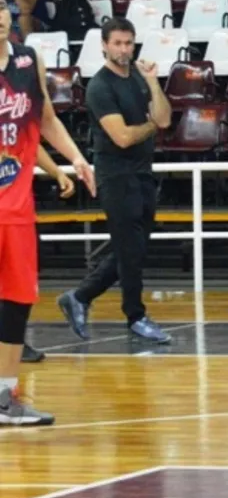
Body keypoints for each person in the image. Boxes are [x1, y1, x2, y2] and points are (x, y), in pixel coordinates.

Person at [0, 1, 95, 426]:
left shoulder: (28, 59)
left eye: (1, 7)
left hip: (16, 205)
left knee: (17, 302)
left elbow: (46, 120)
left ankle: (5, 397)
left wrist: (76, 158)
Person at [56, 17, 172, 344]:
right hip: (115, 175)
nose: (124, 49)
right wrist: (151, 126)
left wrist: (152, 82)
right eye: (118, 43)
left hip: (142, 172)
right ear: (104, 45)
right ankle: (135, 315)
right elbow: (121, 136)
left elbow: (164, 117)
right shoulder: (99, 86)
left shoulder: (138, 76)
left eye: (129, 43)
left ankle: (80, 297)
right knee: (130, 250)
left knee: (132, 248)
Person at [20, 145, 77, 364]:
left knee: (23, 281)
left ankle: (14, 340)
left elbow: (32, 144)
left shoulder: (18, 117)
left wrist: (57, 172)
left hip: (18, 213)